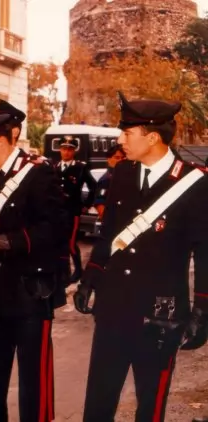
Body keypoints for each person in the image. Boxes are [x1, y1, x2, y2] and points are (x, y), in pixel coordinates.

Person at [74, 91, 208, 422]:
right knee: (98, 402)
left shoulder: (194, 183)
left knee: (150, 406)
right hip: (113, 309)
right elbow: (108, 235)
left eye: (128, 132)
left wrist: (202, 311)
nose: (120, 139)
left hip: (161, 316)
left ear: (152, 137)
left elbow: (205, 253)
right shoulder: (122, 174)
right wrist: (90, 277)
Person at [0, 102, 67, 422]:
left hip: (29, 292)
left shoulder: (39, 172)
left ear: (2, 140)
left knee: (33, 376)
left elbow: (56, 227)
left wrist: (9, 241)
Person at [54, 137, 97, 283]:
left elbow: (93, 186)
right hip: (56, 211)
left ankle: (78, 271)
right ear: (60, 150)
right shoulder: (54, 166)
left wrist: (87, 204)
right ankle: (63, 272)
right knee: (58, 241)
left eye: (70, 149)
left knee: (71, 243)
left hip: (72, 212)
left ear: (74, 151)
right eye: (64, 149)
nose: (66, 152)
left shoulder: (80, 168)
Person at [93, 144, 126, 219]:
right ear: (109, 159)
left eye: (123, 158)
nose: (120, 160)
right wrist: (107, 219)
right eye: (117, 157)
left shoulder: (128, 176)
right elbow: (100, 203)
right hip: (114, 218)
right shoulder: (106, 179)